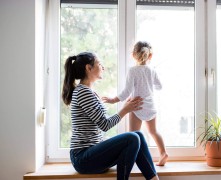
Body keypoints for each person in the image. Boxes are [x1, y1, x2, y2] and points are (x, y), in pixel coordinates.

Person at [62, 52, 159, 180]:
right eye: (99, 64)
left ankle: (154, 179)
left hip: (92, 154)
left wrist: (126, 108)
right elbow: (105, 125)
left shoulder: (88, 92)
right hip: (83, 158)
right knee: (132, 138)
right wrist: (125, 110)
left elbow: (102, 124)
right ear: (88, 68)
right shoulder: (83, 93)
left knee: (138, 135)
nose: (103, 67)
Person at [102, 41, 168, 166]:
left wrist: (113, 100)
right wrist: (149, 85)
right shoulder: (152, 70)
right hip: (150, 105)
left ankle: (134, 159)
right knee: (153, 131)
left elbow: (126, 92)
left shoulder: (132, 71)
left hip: (136, 105)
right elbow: (159, 86)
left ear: (133, 55)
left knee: (133, 135)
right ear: (150, 56)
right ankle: (163, 153)